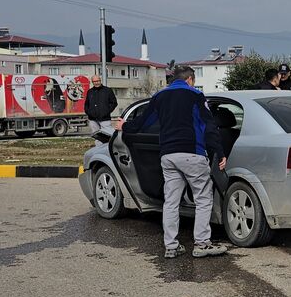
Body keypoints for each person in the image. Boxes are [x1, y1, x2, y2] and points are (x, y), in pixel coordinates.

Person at [117, 66, 228, 259]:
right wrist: (219, 151)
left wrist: (124, 126)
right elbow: (209, 127)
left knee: (171, 202)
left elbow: (144, 122)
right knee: (202, 198)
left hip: (167, 155)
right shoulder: (196, 96)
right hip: (192, 153)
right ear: (190, 79)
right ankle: (202, 244)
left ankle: (171, 246)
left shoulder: (160, 96)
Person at [84, 75, 117, 141]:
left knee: (109, 136)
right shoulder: (90, 92)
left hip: (105, 119)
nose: (96, 83)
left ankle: (108, 150)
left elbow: (114, 103)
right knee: (97, 138)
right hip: (93, 120)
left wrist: (106, 112)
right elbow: (86, 104)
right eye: (94, 81)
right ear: (92, 82)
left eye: (97, 81)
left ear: (100, 80)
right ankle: (98, 150)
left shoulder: (108, 90)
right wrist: (89, 113)